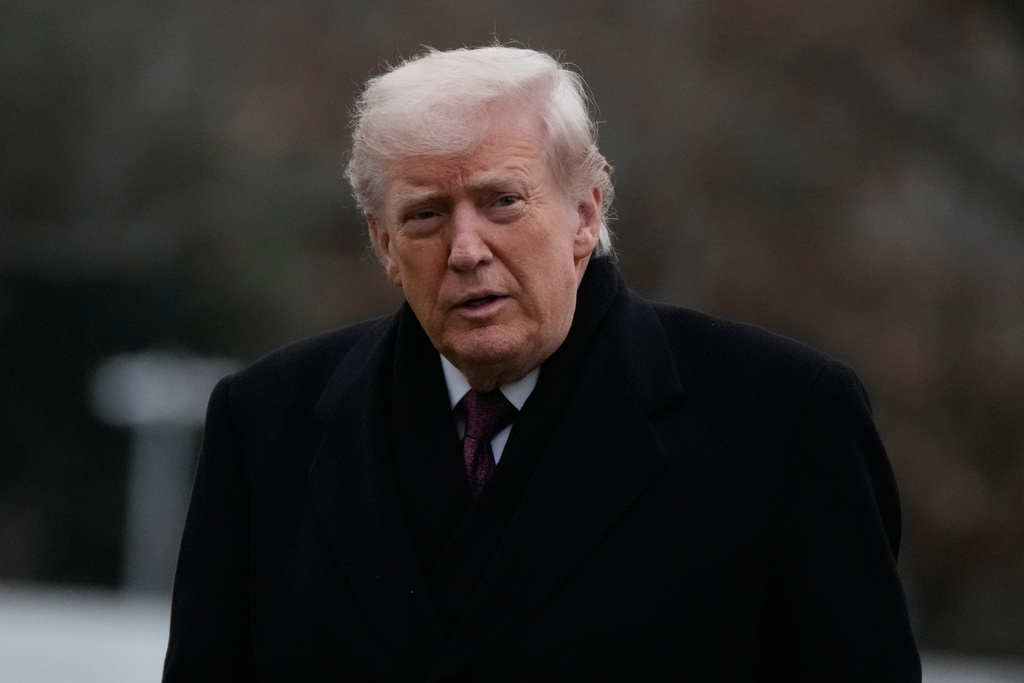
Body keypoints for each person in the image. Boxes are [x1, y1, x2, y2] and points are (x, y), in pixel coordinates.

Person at [163, 45, 920, 680]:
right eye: (425, 214)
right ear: (384, 244)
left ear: (586, 212)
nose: (466, 250)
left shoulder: (785, 420)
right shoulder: (266, 426)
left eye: (503, 202)